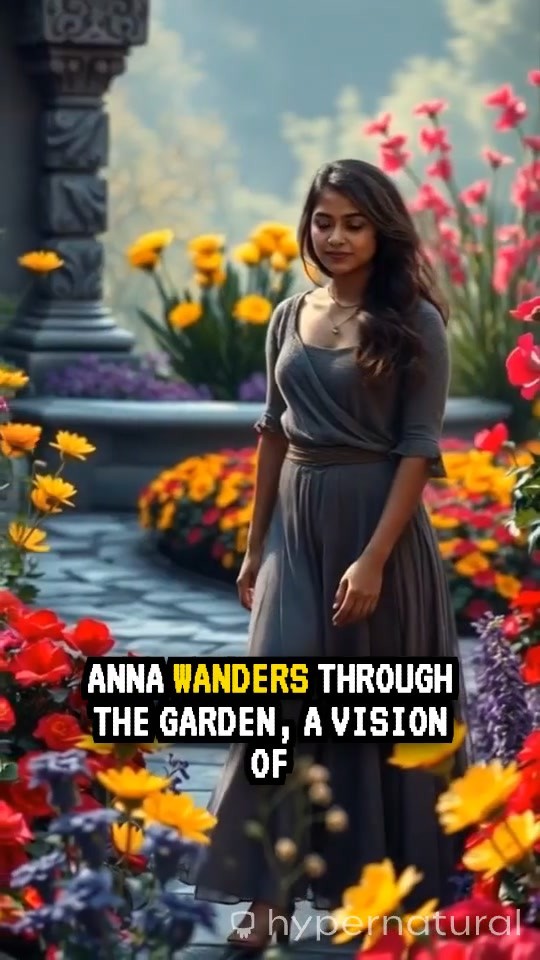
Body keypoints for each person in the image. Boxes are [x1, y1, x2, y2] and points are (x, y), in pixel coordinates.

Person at [180, 158, 471, 956]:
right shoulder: (288, 315)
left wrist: (373, 559)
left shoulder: (415, 321)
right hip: (295, 533)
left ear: (382, 231)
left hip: (379, 533)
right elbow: (273, 435)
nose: (336, 236)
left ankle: (384, 893)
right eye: (324, 221)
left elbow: (418, 449)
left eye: (354, 223)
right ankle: (268, 898)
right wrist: (254, 549)